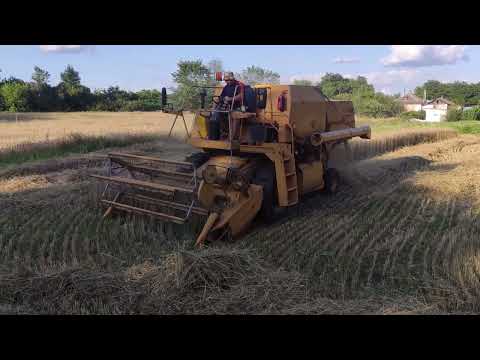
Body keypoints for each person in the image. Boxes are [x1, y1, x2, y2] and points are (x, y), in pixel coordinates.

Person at [208, 72, 246, 140]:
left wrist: (230, 99)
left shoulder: (239, 85)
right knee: (214, 115)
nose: (227, 81)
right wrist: (217, 102)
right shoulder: (226, 87)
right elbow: (221, 97)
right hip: (227, 106)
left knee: (235, 116)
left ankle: (232, 138)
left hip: (239, 106)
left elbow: (241, 96)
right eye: (226, 80)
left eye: (229, 80)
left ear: (233, 78)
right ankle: (214, 135)